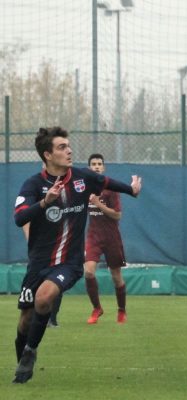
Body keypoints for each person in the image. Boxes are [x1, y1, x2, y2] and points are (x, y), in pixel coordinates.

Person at [12, 127, 142, 384]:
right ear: (48, 154)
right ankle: (24, 359)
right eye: (62, 147)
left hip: (69, 262)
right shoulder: (33, 184)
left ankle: (30, 351)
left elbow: (107, 182)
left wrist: (131, 189)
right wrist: (45, 202)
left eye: (69, 146)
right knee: (25, 322)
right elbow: (19, 218)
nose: (69, 150)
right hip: (38, 264)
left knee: (44, 297)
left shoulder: (83, 178)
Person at [84, 153, 129, 324]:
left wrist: (99, 204)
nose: (96, 166)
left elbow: (117, 215)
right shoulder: (85, 188)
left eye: (99, 164)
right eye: (93, 164)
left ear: (103, 167)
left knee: (116, 276)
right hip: (93, 236)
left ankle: (122, 310)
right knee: (88, 272)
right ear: (89, 168)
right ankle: (97, 308)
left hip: (111, 237)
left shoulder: (111, 189)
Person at [23, 222, 62, 327]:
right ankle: (33, 317)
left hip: (57, 249)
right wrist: (30, 240)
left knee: (57, 282)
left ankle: (52, 319)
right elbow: (25, 221)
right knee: (35, 285)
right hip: (39, 252)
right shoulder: (34, 207)